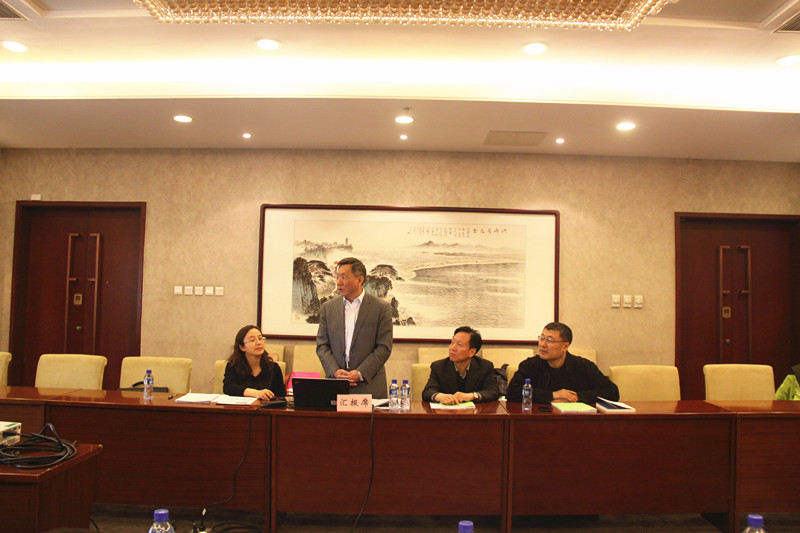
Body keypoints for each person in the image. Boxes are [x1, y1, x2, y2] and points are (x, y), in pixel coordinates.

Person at [316, 257, 393, 398]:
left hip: (369, 385)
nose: (338, 282)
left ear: (359, 280)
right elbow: (322, 345)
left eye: (344, 277)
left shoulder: (381, 308)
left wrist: (360, 373)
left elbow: (384, 347)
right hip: (336, 384)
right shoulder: (328, 308)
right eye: (337, 277)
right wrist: (334, 371)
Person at [507, 322, 618, 404]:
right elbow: (512, 393)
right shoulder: (530, 365)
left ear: (565, 346)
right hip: (539, 419)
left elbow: (612, 392)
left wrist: (577, 397)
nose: (542, 344)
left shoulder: (583, 366)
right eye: (542, 338)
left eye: (549, 340)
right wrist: (552, 395)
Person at [422, 326, 500, 404]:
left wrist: (472, 396)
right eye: (452, 343)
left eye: (459, 345)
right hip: (447, 411)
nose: (452, 348)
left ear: (472, 352)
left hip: (476, 411)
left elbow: (493, 392)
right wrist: (439, 396)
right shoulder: (439, 366)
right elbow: (428, 392)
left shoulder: (485, 366)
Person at [223, 325, 286, 400]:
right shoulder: (233, 366)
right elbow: (229, 387)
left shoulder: (274, 368)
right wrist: (256, 393)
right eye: (252, 340)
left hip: (266, 407)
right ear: (242, 347)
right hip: (241, 406)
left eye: (260, 338)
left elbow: (281, 396)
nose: (259, 342)